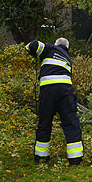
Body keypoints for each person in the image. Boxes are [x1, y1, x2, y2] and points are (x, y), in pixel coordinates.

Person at [25, 37, 83, 166]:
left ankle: (41, 158)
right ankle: (75, 160)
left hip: (48, 91)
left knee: (44, 123)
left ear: (56, 44)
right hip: (65, 91)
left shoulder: (50, 48)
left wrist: (35, 51)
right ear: (67, 48)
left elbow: (32, 45)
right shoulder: (68, 58)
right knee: (70, 124)